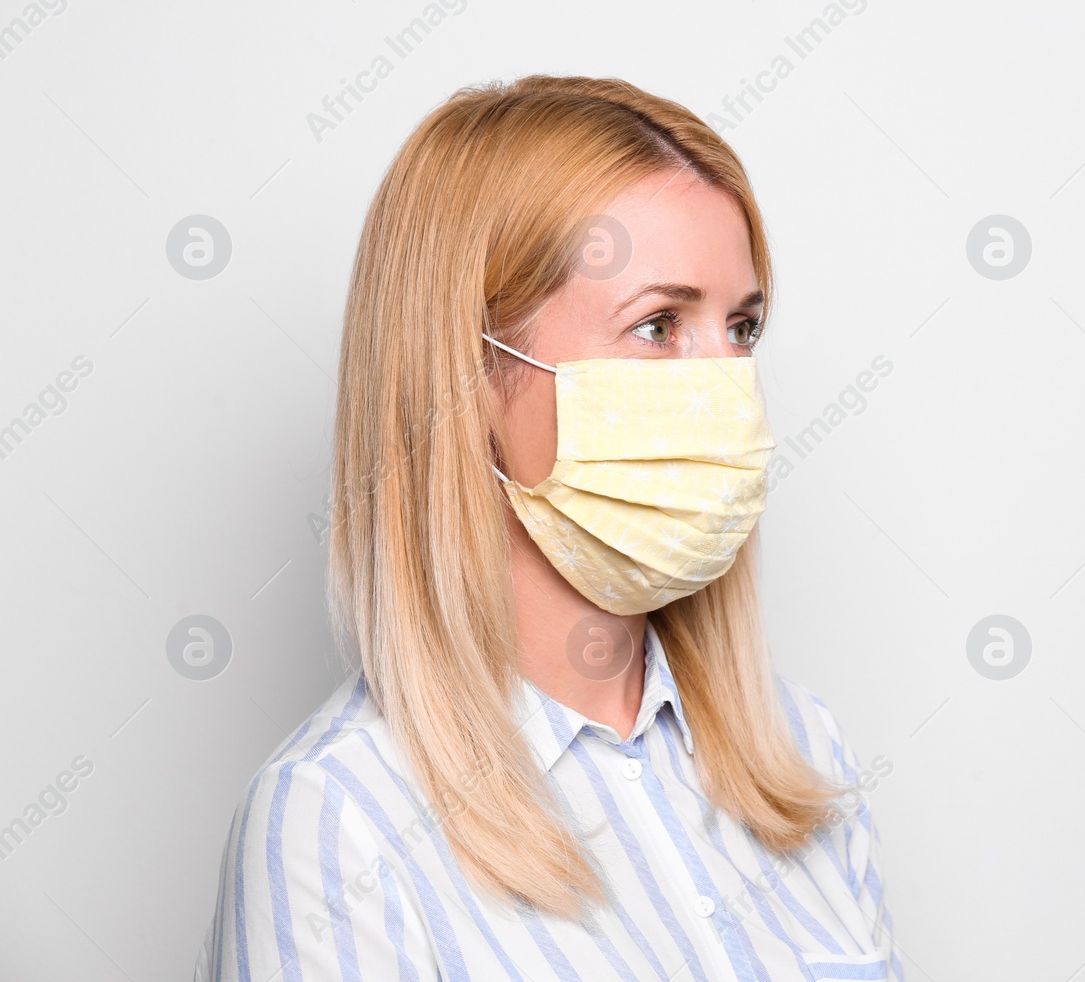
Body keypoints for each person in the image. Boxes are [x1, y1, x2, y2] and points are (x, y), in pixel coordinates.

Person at [194, 75, 900, 981]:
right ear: (474, 375)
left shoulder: (801, 746)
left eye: (742, 328)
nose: (724, 385)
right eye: (658, 325)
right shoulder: (336, 824)